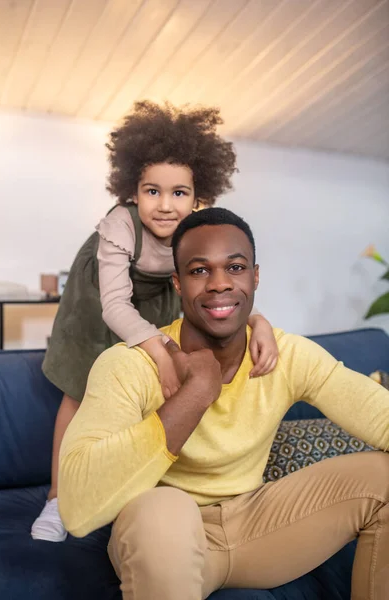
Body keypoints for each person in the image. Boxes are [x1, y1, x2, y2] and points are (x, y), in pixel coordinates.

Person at [58, 207, 389, 599]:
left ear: (255, 276)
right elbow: (77, 508)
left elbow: (379, 414)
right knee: (162, 508)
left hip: (259, 528)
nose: (219, 284)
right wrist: (194, 395)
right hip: (165, 534)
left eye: (235, 268)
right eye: (199, 271)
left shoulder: (287, 354)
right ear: (178, 283)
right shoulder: (130, 365)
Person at [31, 102, 278, 543]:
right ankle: (58, 498)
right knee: (81, 389)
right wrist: (160, 352)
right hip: (100, 299)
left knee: (145, 388)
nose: (165, 206)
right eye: (152, 191)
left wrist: (258, 323)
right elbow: (114, 306)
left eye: (179, 193)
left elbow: (218, 297)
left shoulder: (196, 233)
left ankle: (126, 486)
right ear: (133, 189)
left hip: (158, 296)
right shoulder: (118, 226)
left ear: (199, 195)